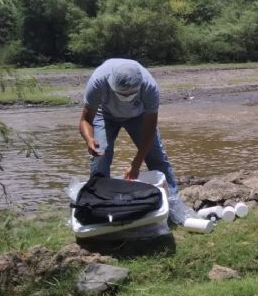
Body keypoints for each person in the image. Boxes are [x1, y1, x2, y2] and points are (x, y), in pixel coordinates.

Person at [78, 58, 183, 221]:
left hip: (138, 116)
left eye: (129, 94)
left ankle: (174, 206)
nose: (125, 96)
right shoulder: (98, 82)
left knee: (157, 157)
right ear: (111, 85)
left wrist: (136, 163)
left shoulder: (149, 87)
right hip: (105, 114)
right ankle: (99, 205)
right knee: (100, 156)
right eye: (121, 93)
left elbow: (149, 129)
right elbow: (85, 119)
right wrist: (89, 139)